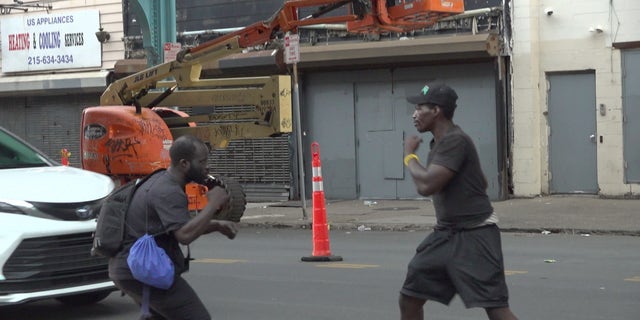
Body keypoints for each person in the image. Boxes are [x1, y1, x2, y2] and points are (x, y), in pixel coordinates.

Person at [399, 83, 518, 320]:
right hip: (446, 235)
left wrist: (409, 155)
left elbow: (426, 186)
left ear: (436, 111)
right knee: (410, 297)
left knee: (495, 308)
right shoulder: (440, 143)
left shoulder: (456, 140)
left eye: (419, 107)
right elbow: (481, 182)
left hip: (476, 235)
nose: (414, 114)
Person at [108, 134, 238, 320]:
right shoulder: (169, 191)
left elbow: (178, 226)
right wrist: (211, 205)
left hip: (130, 268)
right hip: (142, 268)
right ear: (184, 164)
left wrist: (216, 225)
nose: (206, 166)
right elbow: (184, 234)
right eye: (201, 161)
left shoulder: (162, 180)